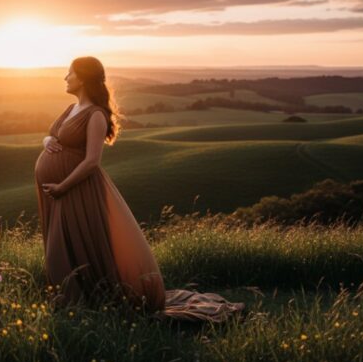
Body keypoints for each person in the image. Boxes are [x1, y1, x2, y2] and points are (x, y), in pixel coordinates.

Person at [34, 56, 245, 323]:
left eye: (70, 73)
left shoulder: (96, 114)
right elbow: (52, 135)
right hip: (59, 192)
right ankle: (70, 302)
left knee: (68, 247)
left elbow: (92, 161)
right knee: (60, 244)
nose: (65, 77)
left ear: (84, 78)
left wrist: (63, 186)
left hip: (76, 191)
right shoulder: (69, 109)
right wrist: (47, 139)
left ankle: (80, 303)